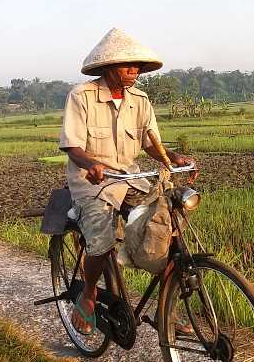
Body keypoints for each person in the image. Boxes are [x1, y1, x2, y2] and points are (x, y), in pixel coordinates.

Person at [59, 28, 194, 335]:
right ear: (108, 67)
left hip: (131, 177)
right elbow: (71, 145)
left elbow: (150, 143)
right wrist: (90, 164)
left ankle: (165, 311)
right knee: (101, 240)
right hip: (92, 182)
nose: (134, 70)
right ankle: (90, 292)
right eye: (127, 65)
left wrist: (172, 158)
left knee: (165, 232)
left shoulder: (140, 100)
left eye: (137, 66)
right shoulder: (82, 96)